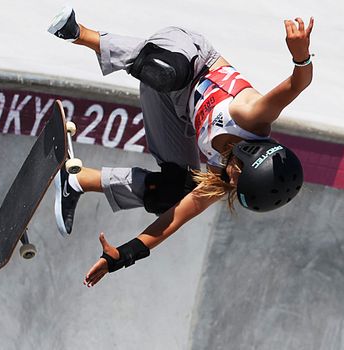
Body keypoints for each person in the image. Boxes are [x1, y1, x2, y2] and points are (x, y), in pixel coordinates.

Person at [47, 6, 314, 287]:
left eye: (237, 186)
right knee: (167, 72)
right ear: (253, 158)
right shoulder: (252, 116)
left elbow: (173, 221)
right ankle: (78, 33)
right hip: (186, 57)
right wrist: (301, 56)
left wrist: (122, 256)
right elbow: (298, 85)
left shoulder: (221, 175)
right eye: (239, 178)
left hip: (171, 106)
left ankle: (79, 180)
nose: (232, 182)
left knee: (175, 192)